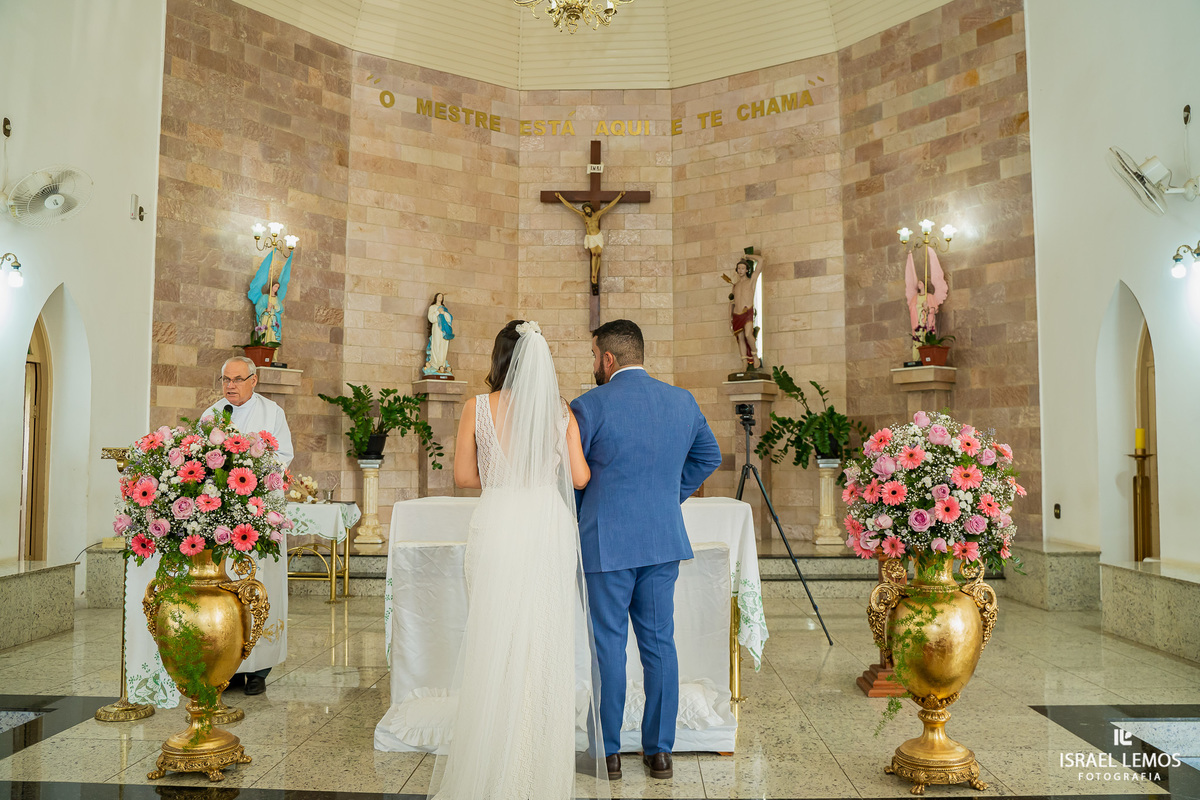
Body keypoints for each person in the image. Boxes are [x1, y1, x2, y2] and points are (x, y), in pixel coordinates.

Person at [429, 320, 607, 800]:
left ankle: (491, 765)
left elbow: (464, 477)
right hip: (547, 527)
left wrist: (503, 472)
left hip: (498, 521)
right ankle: (538, 770)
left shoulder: (475, 408)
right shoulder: (559, 411)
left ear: (499, 357)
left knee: (495, 637)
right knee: (543, 641)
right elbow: (580, 477)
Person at [571, 319, 722, 781]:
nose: (593, 363)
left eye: (595, 355)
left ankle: (608, 755)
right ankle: (660, 754)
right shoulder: (682, 401)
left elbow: (572, 477)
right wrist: (666, 494)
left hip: (606, 543)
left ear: (608, 358)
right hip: (661, 540)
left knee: (609, 650)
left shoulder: (587, 405)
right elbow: (709, 455)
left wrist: (590, 507)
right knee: (659, 645)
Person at [203, 356, 293, 696]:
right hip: (222, 516)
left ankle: (258, 670)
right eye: (226, 379)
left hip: (258, 513)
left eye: (238, 379)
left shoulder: (272, 414)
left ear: (254, 381)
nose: (231, 386)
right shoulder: (212, 414)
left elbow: (283, 456)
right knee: (226, 588)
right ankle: (226, 665)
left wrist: (248, 467)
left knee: (259, 585)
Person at [556, 191, 625, 294]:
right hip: (591, 237)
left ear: (591, 208)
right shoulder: (584, 216)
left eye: (587, 208)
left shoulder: (597, 214)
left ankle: (596, 274)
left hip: (598, 236)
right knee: (593, 254)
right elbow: (571, 207)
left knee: (599, 255)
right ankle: (593, 276)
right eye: (585, 209)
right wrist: (560, 197)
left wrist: (619, 196)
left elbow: (609, 206)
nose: (586, 210)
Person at [905, 248, 948, 360]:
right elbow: (912, 308)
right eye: (917, 283)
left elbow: (935, 309)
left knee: (927, 339)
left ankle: (928, 357)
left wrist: (928, 308)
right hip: (918, 324)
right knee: (918, 341)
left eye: (921, 283)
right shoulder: (914, 298)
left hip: (927, 324)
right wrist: (920, 307)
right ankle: (917, 359)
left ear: (923, 284)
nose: (919, 284)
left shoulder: (929, 297)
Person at [249, 250, 292, 344]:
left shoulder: (277, 299)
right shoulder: (265, 297)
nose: (276, 289)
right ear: (271, 286)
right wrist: (266, 310)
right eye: (275, 286)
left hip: (274, 321)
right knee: (265, 338)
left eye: (278, 287)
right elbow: (258, 307)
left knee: (273, 338)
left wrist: (275, 307)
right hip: (265, 320)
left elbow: (281, 309)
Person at [728, 253, 763, 370]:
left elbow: (761, 261)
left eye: (743, 268)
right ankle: (744, 361)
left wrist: (748, 256)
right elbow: (731, 304)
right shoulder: (735, 286)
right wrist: (729, 320)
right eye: (739, 268)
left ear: (747, 269)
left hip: (747, 311)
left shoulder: (751, 281)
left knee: (748, 334)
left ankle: (754, 354)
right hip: (737, 314)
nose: (740, 270)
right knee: (741, 338)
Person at [424, 292, 454, 376]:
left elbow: (449, 319)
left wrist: (443, 313)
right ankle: (435, 365)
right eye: (439, 296)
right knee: (436, 345)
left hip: (444, 330)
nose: (440, 297)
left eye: (442, 296)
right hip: (437, 329)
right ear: (436, 297)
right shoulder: (432, 307)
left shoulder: (444, 309)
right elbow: (431, 318)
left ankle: (442, 365)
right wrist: (438, 312)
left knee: (443, 347)